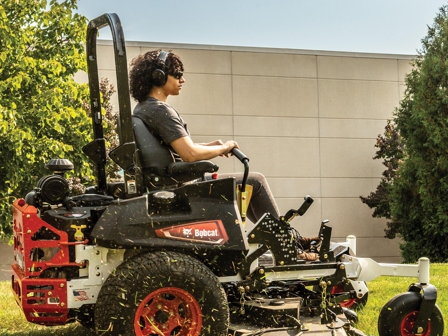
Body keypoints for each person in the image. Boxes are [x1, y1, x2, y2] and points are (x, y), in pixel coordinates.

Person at [129, 50, 318, 259]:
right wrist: (223, 147)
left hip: (171, 182)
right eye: (178, 74)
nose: (183, 79)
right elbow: (190, 154)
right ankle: (288, 248)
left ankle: (286, 240)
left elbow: (175, 150)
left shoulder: (143, 109)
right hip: (182, 188)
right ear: (159, 77)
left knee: (252, 186)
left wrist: (211, 146)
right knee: (256, 182)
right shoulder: (161, 111)